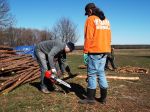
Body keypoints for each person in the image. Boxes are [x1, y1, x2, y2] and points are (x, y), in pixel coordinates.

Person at [79, 3, 111, 104]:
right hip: (105, 50)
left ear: (90, 11)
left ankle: (90, 98)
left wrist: (85, 52)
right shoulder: (106, 20)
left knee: (92, 74)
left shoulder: (90, 19)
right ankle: (103, 98)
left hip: (94, 50)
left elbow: (88, 37)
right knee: (101, 73)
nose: (87, 15)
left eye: (87, 13)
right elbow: (109, 37)